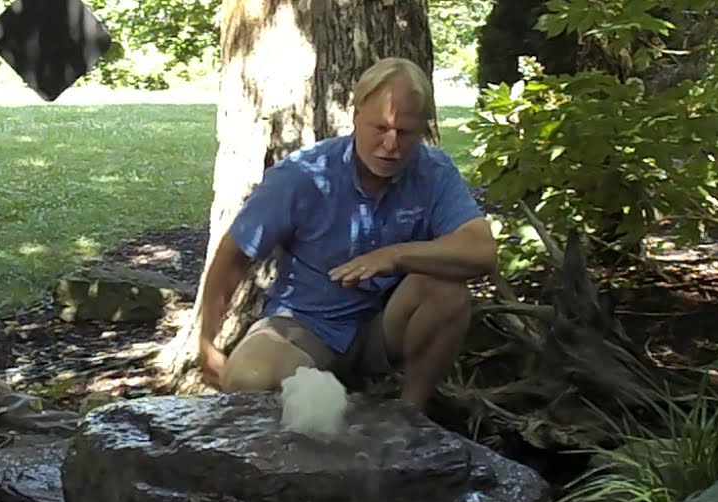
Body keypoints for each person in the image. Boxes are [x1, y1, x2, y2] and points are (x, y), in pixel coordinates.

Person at [196, 56, 497, 411]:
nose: (391, 144)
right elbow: (235, 252)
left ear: (422, 128)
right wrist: (206, 340)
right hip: (306, 325)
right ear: (356, 116)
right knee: (248, 377)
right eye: (379, 128)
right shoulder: (304, 174)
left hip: (385, 327)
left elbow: (481, 253)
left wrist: (395, 256)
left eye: (405, 132)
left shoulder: (434, 171)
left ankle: (411, 415)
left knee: (448, 291)